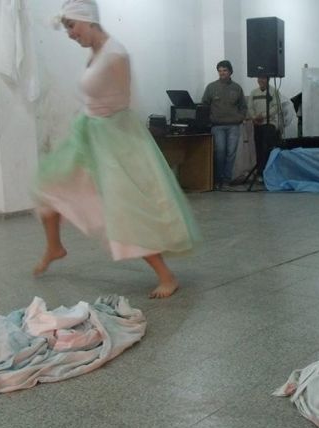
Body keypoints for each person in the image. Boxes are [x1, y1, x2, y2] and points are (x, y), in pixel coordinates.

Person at [32, 0, 200, 299]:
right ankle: (54, 247)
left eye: (71, 26)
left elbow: (126, 102)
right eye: (67, 28)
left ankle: (166, 276)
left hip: (113, 137)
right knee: (49, 187)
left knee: (126, 212)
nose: (70, 34)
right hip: (88, 133)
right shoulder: (96, 52)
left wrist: (124, 147)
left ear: (88, 19)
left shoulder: (115, 53)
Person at [202, 60, 247, 190]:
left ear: (230, 72)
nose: (222, 73)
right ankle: (218, 180)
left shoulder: (237, 88)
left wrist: (240, 118)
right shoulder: (211, 87)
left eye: (225, 70)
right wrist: (209, 120)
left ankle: (227, 180)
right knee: (220, 152)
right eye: (220, 71)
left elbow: (243, 106)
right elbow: (204, 105)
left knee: (231, 153)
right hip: (217, 126)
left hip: (234, 126)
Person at [247, 77, 284, 178]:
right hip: (257, 124)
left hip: (269, 124)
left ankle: (268, 172)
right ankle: (260, 172)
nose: (261, 80)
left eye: (263, 78)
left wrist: (263, 116)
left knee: (267, 148)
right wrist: (254, 117)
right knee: (258, 149)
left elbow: (276, 107)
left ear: (268, 79)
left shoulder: (274, 91)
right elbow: (250, 107)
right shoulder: (253, 92)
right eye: (259, 78)